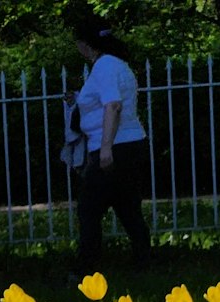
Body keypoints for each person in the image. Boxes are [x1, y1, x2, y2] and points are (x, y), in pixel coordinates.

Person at [67, 10, 151, 273]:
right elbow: (107, 99)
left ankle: (86, 268)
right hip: (132, 144)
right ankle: (143, 263)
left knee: (88, 209)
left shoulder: (103, 67)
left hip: (112, 148)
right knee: (128, 208)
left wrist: (105, 149)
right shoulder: (118, 64)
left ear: (84, 43)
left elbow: (112, 105)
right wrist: (80, 99)